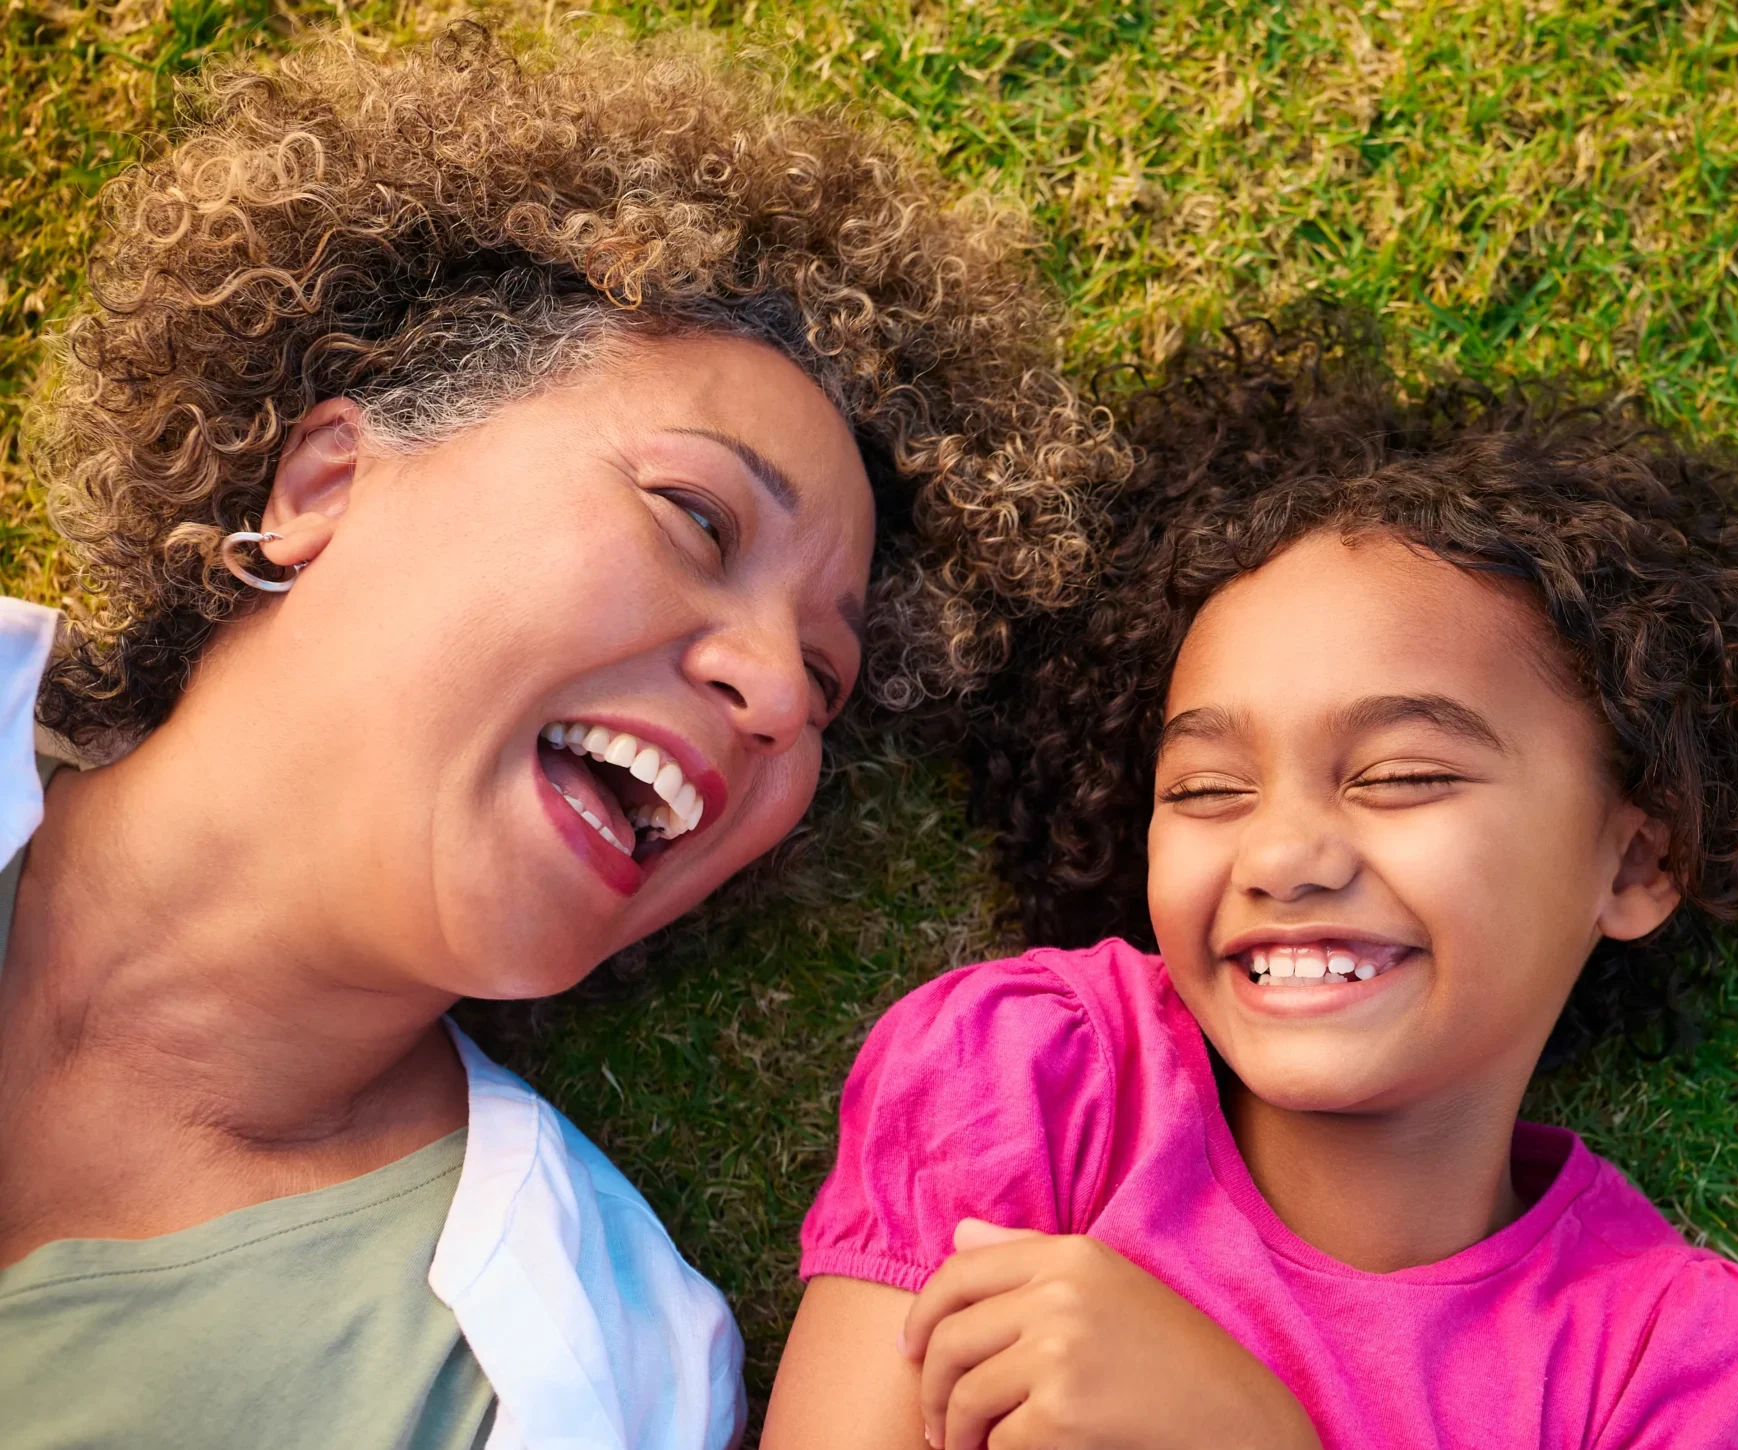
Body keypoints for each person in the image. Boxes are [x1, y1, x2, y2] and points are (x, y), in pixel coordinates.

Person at [0, 25, 1117, 1450]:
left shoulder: (572, 1373)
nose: (778, 691)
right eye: (697, 518)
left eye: (826, 686)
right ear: (326, 481)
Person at [764, 327, 1738, 1448]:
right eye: (1206, 788)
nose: (1280, 856)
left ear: (1636, 863)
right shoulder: (1033, 1079)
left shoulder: (1672, 1363)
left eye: (1400, 776)